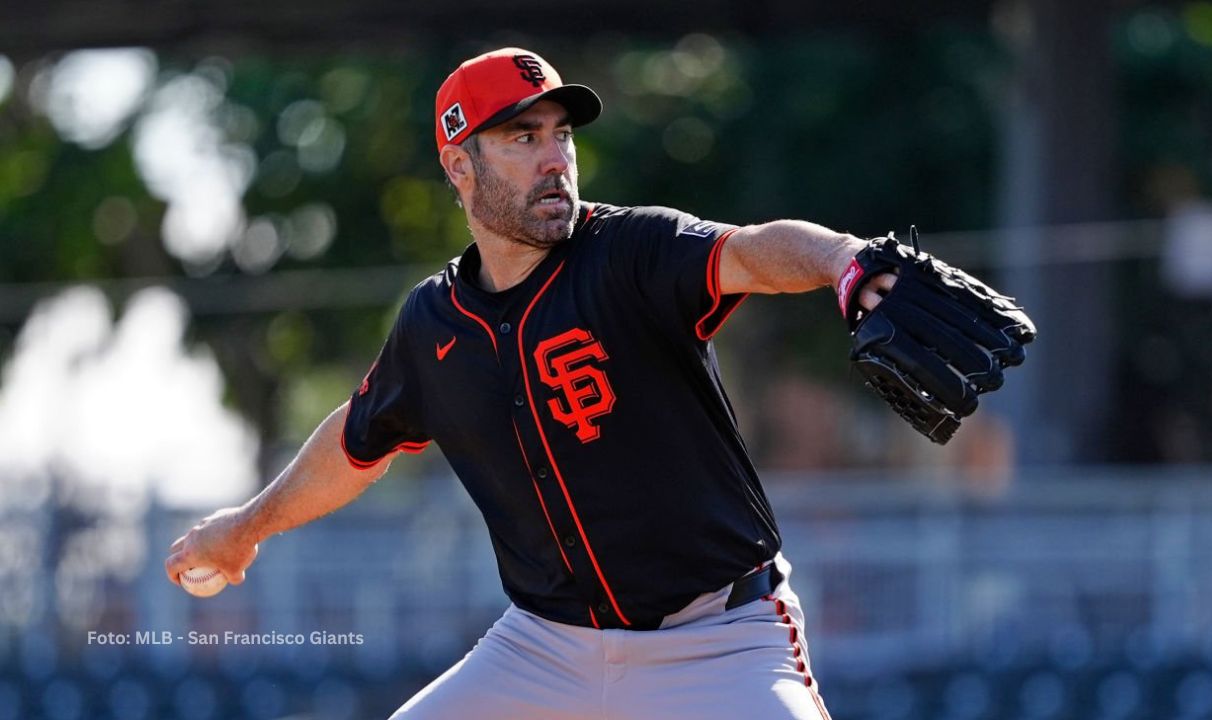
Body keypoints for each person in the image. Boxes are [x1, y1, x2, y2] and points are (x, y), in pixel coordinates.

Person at [166, 47, 898, 719]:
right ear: (459, 166)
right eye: (523, 138)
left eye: (561, 134)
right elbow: (357, 440)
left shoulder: (629, 251)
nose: (555, 158)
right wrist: (244, 528)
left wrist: (844, 261)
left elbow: (753, 251)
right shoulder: (433, 322)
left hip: (720, 640)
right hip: (546, 650)